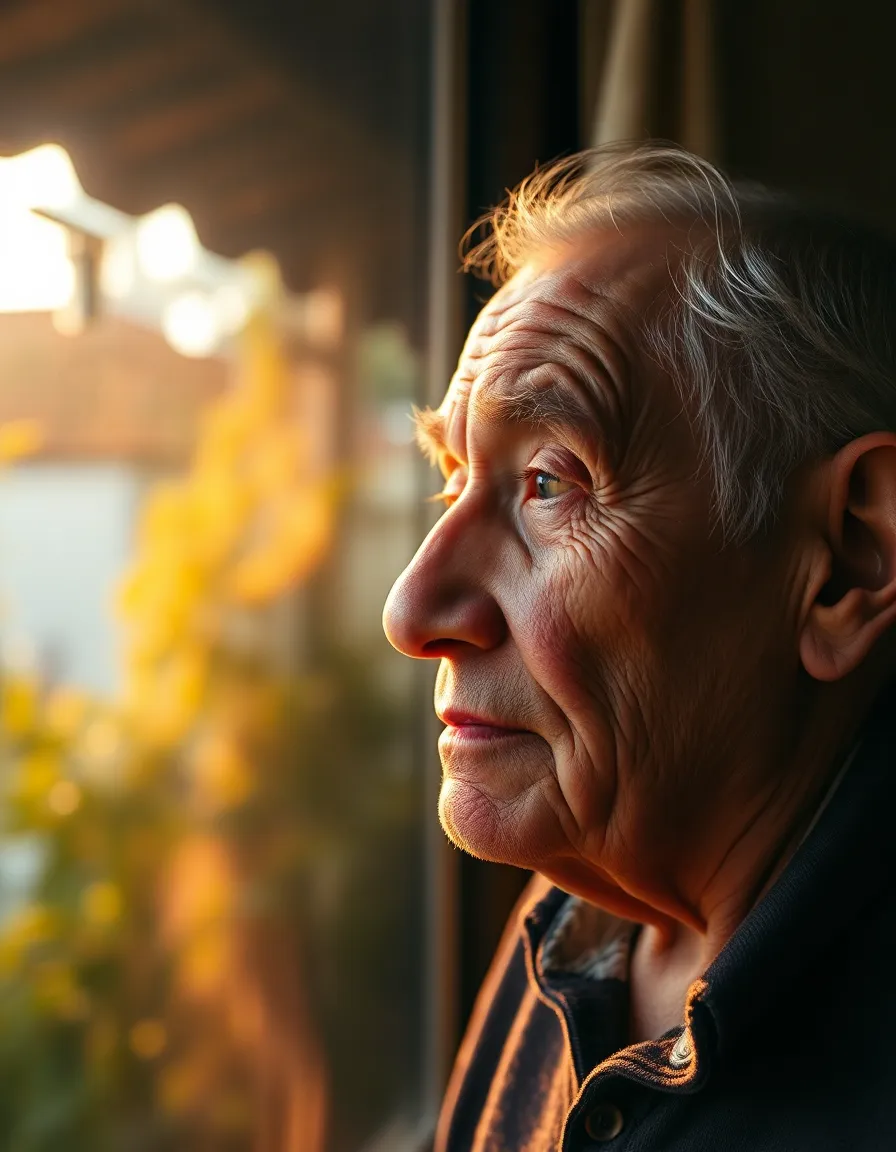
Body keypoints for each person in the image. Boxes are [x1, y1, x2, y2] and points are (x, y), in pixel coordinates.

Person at [382, 143, 896, 1151]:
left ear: (844, 563)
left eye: (548, 483)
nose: (413, 610)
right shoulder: (583, 916)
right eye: (453, 478)